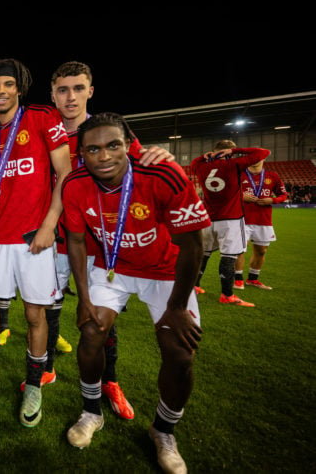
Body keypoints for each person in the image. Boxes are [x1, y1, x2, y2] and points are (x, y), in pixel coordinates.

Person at [63, 112, 209, 473]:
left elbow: (193, 245)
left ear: (128, 144)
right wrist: (83, 298)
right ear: (81, 154)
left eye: (113, 145)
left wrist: (176, 307)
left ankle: (163, 430)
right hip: (114, 269)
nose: (104, 156)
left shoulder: (162, 174)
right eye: (93, 149)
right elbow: (77, 242)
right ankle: (91, 412)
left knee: (180, 354)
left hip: (165, 271)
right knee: (92, 333)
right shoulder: (75, 183)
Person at [49, 61, 172, 420]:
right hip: (59, 241)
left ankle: (111, 381)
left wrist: (159, 154)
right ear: (52, 94)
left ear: (91, 90)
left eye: (78, 88)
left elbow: (142, 166)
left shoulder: (107, 133)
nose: (70, 97)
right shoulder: (46, 132)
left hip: (104, 246)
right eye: (62, 89)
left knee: (103, 321)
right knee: (51, 309)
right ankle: (46, 370)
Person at [0, 58, 71, 428]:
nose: (0, 91)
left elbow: (66, 173)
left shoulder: (41, 117)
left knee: (36, 313)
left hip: (34, 236)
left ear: (18, 88)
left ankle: (33, 384)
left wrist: (50, 225)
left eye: (7, 85)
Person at [191, 140, 270, 306]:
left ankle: (194, 287)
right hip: (230, 219)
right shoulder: (234, 164)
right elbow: (263, 152)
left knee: (203, 254)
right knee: (229, 256)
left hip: (208, 219)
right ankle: (227, 295)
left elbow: (193, 164)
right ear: (229, 152)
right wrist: (236, 151)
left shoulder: (202, 166)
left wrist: (204, 157)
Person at [233, 157, 287, 290]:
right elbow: (226, 193)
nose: (255, 160)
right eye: (253, 157)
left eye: (259, 157)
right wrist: (241, 196)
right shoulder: (239, 174)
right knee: (239, 249)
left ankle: (252, 279)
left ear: (264, 159)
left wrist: (272, 200)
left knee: (261, 251)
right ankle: (238, 280)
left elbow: (283, 195)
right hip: (242, 218)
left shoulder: (272, 176)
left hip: (264, 220)